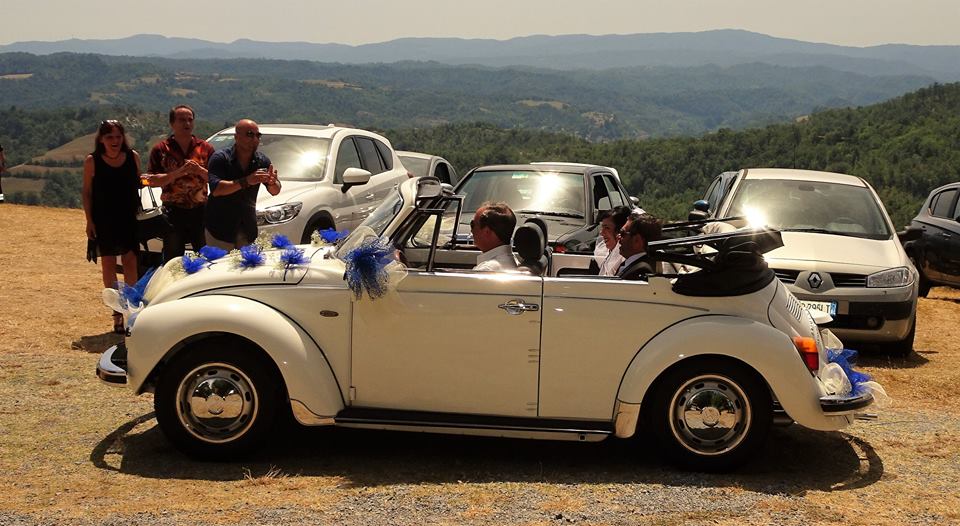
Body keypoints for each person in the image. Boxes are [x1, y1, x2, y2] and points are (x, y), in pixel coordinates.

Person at [81, 120, 141, 333]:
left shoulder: (132, 157)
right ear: (101, 139)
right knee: (108, 263)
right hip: (104, 218)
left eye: (118, 136)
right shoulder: (92, 161)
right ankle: (116, 313)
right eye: (110, 137)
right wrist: (89, 220)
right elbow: (87, 192)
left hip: (127, 217)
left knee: (130, 261)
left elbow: (138, 187)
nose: (115, 141)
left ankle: (132, 310)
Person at [144, 105, 215, 260]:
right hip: (173, 212)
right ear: (172, 123)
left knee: (204, 258)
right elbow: (153, 181)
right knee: (173, 258)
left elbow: (216, 179)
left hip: (200, 212)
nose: (187, 124)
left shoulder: (205, 149)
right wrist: (178, 173)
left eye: (190, 120)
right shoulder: (161, 150)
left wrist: (199, 171)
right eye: (182, 120)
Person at [204, 119, 281, 250]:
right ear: (236, 137)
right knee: (219, 268)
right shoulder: (221, 158)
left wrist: (272, 183)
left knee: (246, 268)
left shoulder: (262, 161)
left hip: (247, 228)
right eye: (250, 134)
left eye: (258, 135)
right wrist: (246, 181)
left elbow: (275, 191)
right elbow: (216, 189)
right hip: (219, 228)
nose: (255, 139)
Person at [471, 201, 518, 271]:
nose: (472, 231)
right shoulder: (515, 261)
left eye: (473, 225)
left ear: (487, 231)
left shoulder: (486, 270)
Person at [617, 212, 662, 280]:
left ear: (637, 241)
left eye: (622, 233)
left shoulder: (640, 271)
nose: (618, 237)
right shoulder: (645, 263)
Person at [594, 206, 631, 276]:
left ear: (620, 231)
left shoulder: (624, 260)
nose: (601, 233)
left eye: (607, 228)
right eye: (602, 227)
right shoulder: (606, 253)